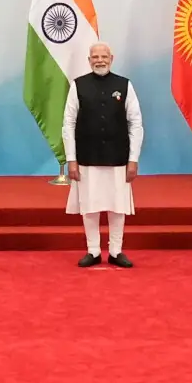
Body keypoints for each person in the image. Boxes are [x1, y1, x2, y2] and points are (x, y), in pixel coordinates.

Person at [63, 42, 142, 268]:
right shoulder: (78, 85)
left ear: (111, 59)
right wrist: (71, 159)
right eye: (95, 57)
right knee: (89, 205)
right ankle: (93, 250)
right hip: (87, 156)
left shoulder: (124, 85)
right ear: (89, 60)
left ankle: (116, 251)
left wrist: (133, 159)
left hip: (118, 157)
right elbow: (68, 123)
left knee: (118, 207)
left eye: (104, 57)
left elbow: (136, 123)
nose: (100, 60)